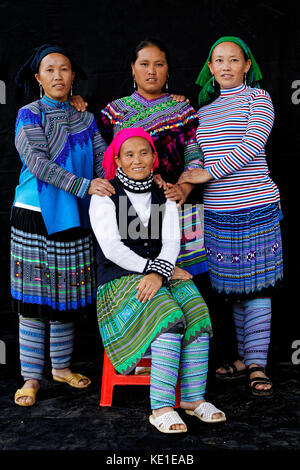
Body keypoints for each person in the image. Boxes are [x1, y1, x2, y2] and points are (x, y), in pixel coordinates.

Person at [71, 38, 209, 375]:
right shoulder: (114, 111)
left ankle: (181, 364)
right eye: (144, 64)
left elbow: (193, 154)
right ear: (132, 69)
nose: (152, 70)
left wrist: (182, 188)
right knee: (146, 285)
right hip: (128, 208)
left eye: (159, 64)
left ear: (168, 70)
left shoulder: (183, 109)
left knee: (184, 282)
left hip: (174, 204)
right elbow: (103, 152)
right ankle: (142, 351)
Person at [89, 127, 226, 433]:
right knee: (169, 316)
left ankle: (192, 399)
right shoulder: (105, 195)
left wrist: (159, 270)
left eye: (144, 152)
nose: (137, 159)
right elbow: (112, 249)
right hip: (119, 281)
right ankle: (161, 407)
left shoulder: (163, 194)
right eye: (129, 154)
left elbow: (171, 240)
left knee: (197, 311)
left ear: (154, 157)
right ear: (118, 161)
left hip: (159, 270)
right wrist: (156, 269)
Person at [179, 36, 283, 396]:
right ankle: (242, 359)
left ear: (246, 65)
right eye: (218, 60)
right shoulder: (202, 111)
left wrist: (207, 174)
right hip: (218, 213)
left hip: (256, 206)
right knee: (234, 291)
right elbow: (190, 150)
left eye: (233, 60)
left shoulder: (259, 98)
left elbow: (252, 146)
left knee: (258, 288)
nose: (225, 66)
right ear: (210, 68)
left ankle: (257, 364)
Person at [12, 44, 114, 406]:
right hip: (35, 215)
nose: (58, 75)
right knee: (34, 299)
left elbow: (103, 158)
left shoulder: (85, 117)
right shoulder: (29, 114)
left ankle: (61, 368)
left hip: (76, 215)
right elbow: (38, 164)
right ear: (38, 78)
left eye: (65, 69)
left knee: (67, 296)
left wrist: (113, 184)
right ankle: (31, 377)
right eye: (50, 69)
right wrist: (86, 185)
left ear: (73, 77)